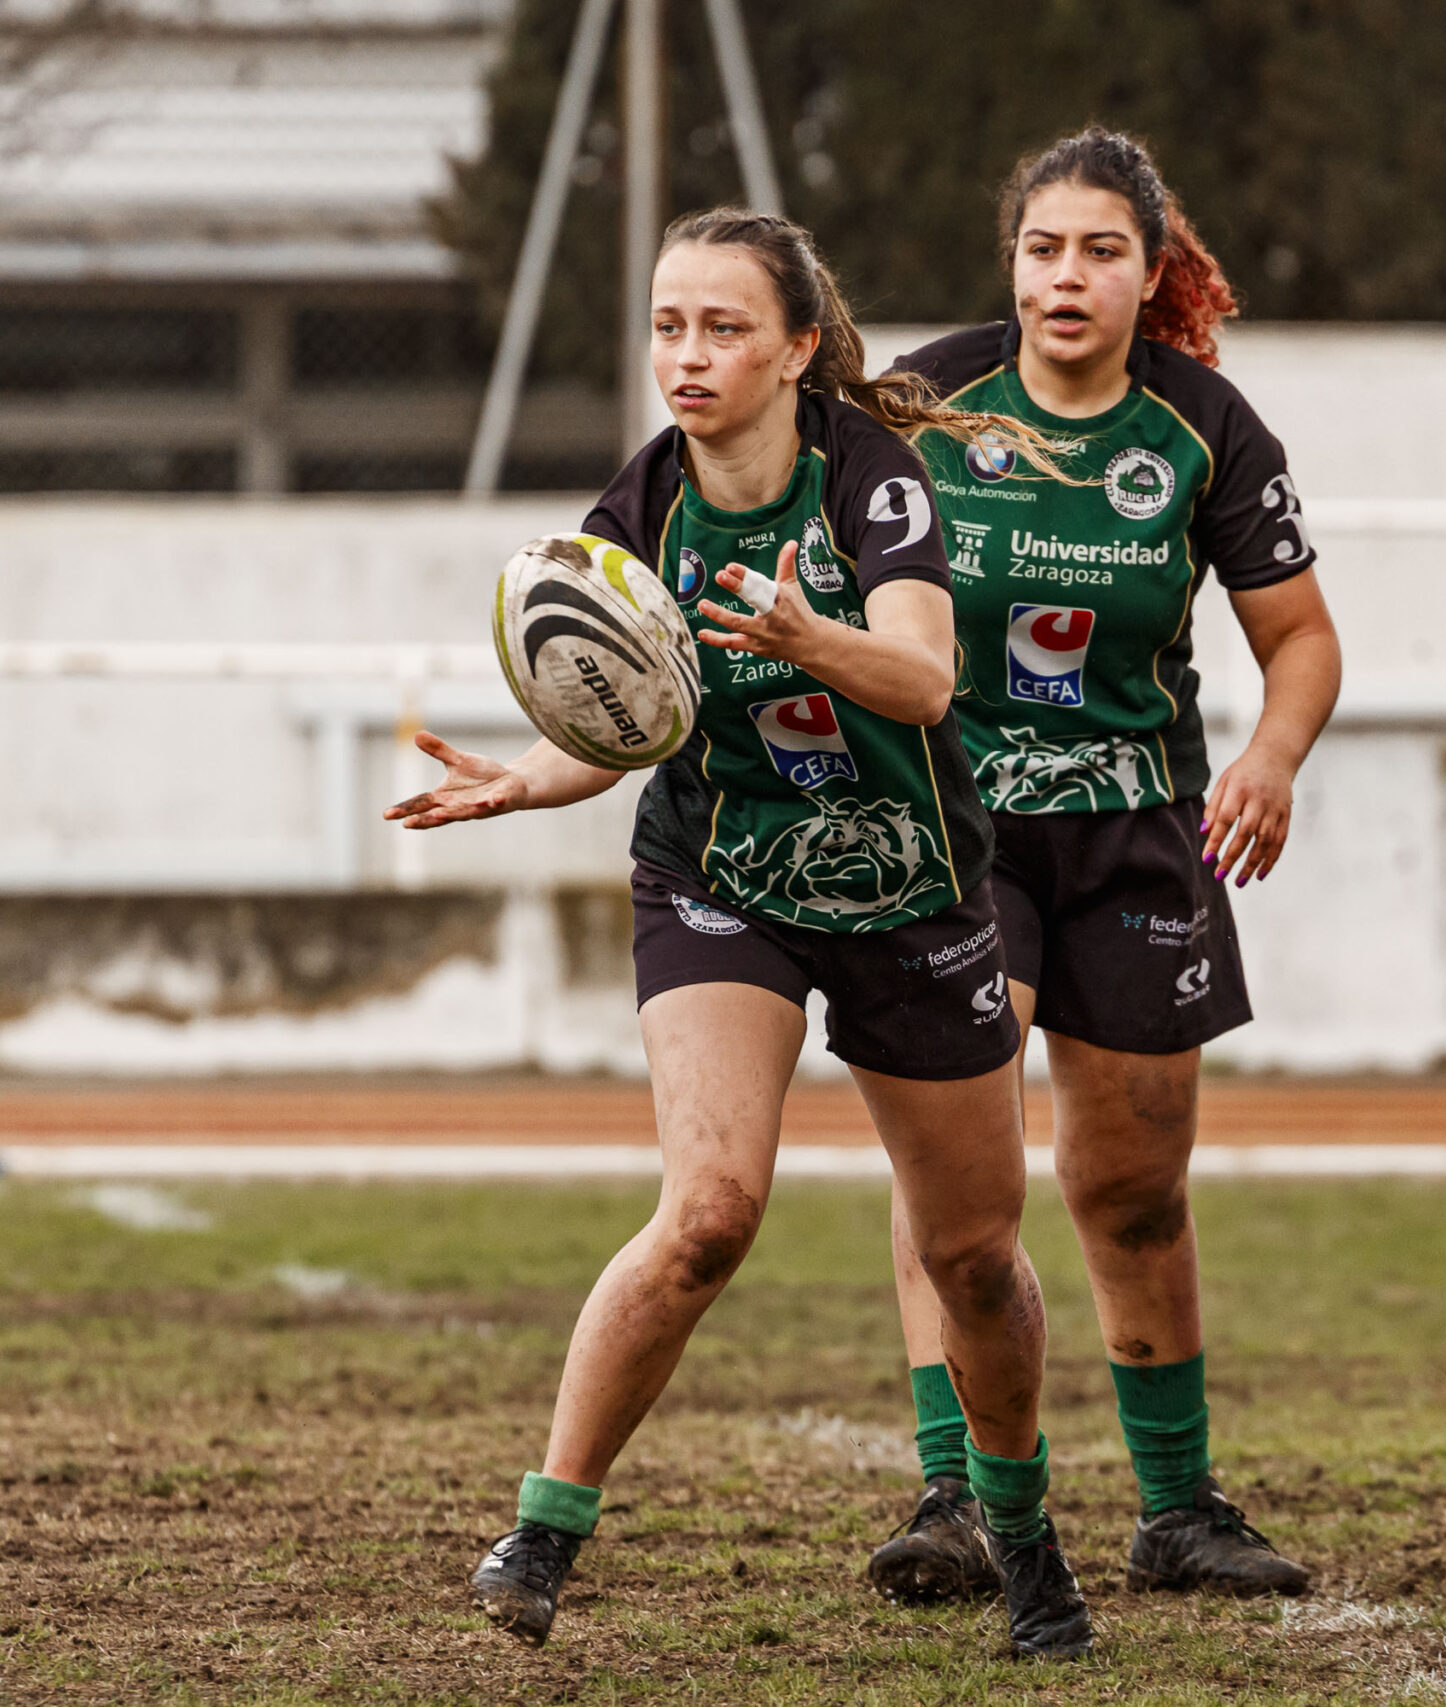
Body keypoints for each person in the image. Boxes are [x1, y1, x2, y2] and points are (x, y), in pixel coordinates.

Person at [385, 209, 1096, 1659]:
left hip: (912, 893)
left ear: (798, 349)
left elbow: (923, 679)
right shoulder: (638, 507)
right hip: (725, 880)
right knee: (708, 1208)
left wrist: (805, 638)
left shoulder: (871, 482)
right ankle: (544, 1526)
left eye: (721, 328)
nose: (688, 357)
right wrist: (529, 775)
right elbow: (633, 720)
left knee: (972, 1254)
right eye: (667, 326)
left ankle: (1019, 1532)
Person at [860, 126, 1339, 1605]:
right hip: (957, 825)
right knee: (965, 1154)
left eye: (1100, 250)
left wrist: (1269, 757)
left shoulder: (1205, 425)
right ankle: (957, 1489)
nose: (1068, 276)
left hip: (1140, 829)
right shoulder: (924, 403)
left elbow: (1302, 638)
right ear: (1010, 265)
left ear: (1149, 271)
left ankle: (1178, 1508)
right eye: (1043, 249)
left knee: (1134, 1183)